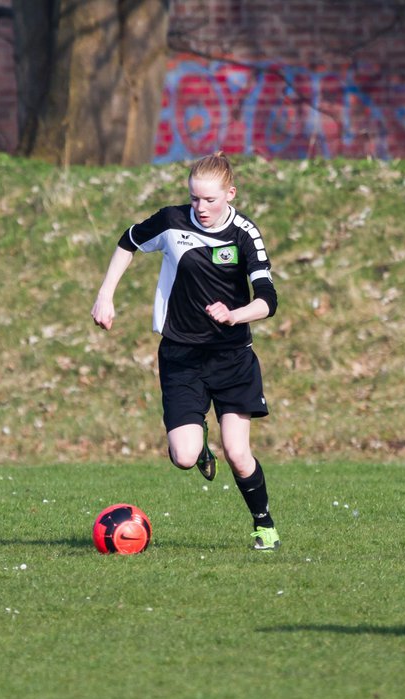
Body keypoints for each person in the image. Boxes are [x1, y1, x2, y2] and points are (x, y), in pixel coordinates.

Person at [91, 152, 281, 550]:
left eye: (210, 199)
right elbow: (128, 242)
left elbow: (267, 299)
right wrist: (105, 295)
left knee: (238, 452)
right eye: (195, 198)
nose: (201, 207)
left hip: (232, 357)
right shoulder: (172, 221)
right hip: (181, 356)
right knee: (183, 455)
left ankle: (263, 524)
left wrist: (234, 314)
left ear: (230, 193)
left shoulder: (245, 233)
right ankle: (197, 440)